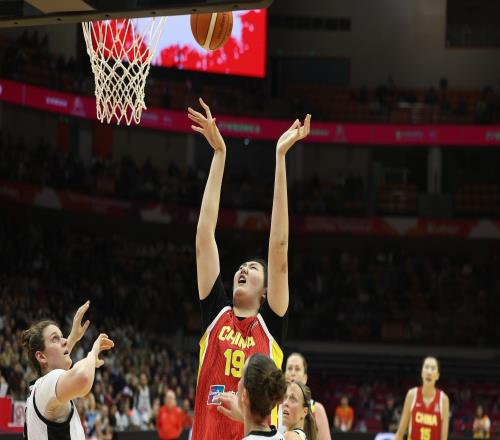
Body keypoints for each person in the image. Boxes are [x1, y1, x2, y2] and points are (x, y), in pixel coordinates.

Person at [188, 98, 311, 440]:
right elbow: (203, 237)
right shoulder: (216, 314)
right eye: (241, 266)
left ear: (267, 291)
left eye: (253, 268)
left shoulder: (270, 326)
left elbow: (280, 248)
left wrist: (280, 158)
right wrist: (219, 155)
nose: (243, 269)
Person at [22, 300, 114, 440]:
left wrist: (73, 337)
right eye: (55, 339)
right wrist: (93, 352)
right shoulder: (46, 383)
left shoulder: (40, 389)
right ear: (41, 357)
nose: (65, 341)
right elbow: (83, 378)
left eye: (62, 337)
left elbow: (55, 360)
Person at [219, 353, 287, 439]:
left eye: (241, 377)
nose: (238, 382)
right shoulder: (281, 437)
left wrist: (245, 415)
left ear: (245, 395)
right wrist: (245, 416)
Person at [395, 356, 450, 440]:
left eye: (433, 368)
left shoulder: (443, 400)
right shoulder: (412, 395)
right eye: (426, 367)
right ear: (421, 373)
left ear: (437, 376)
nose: (429, 372)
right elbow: (400, 434)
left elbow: (444, 438)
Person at [281, 353, 330, 440]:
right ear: (284, 375)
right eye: (289, 368)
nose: (293, 373)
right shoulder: (275, 406)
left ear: (305, 378)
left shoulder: (316, 408)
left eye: (297, 369)